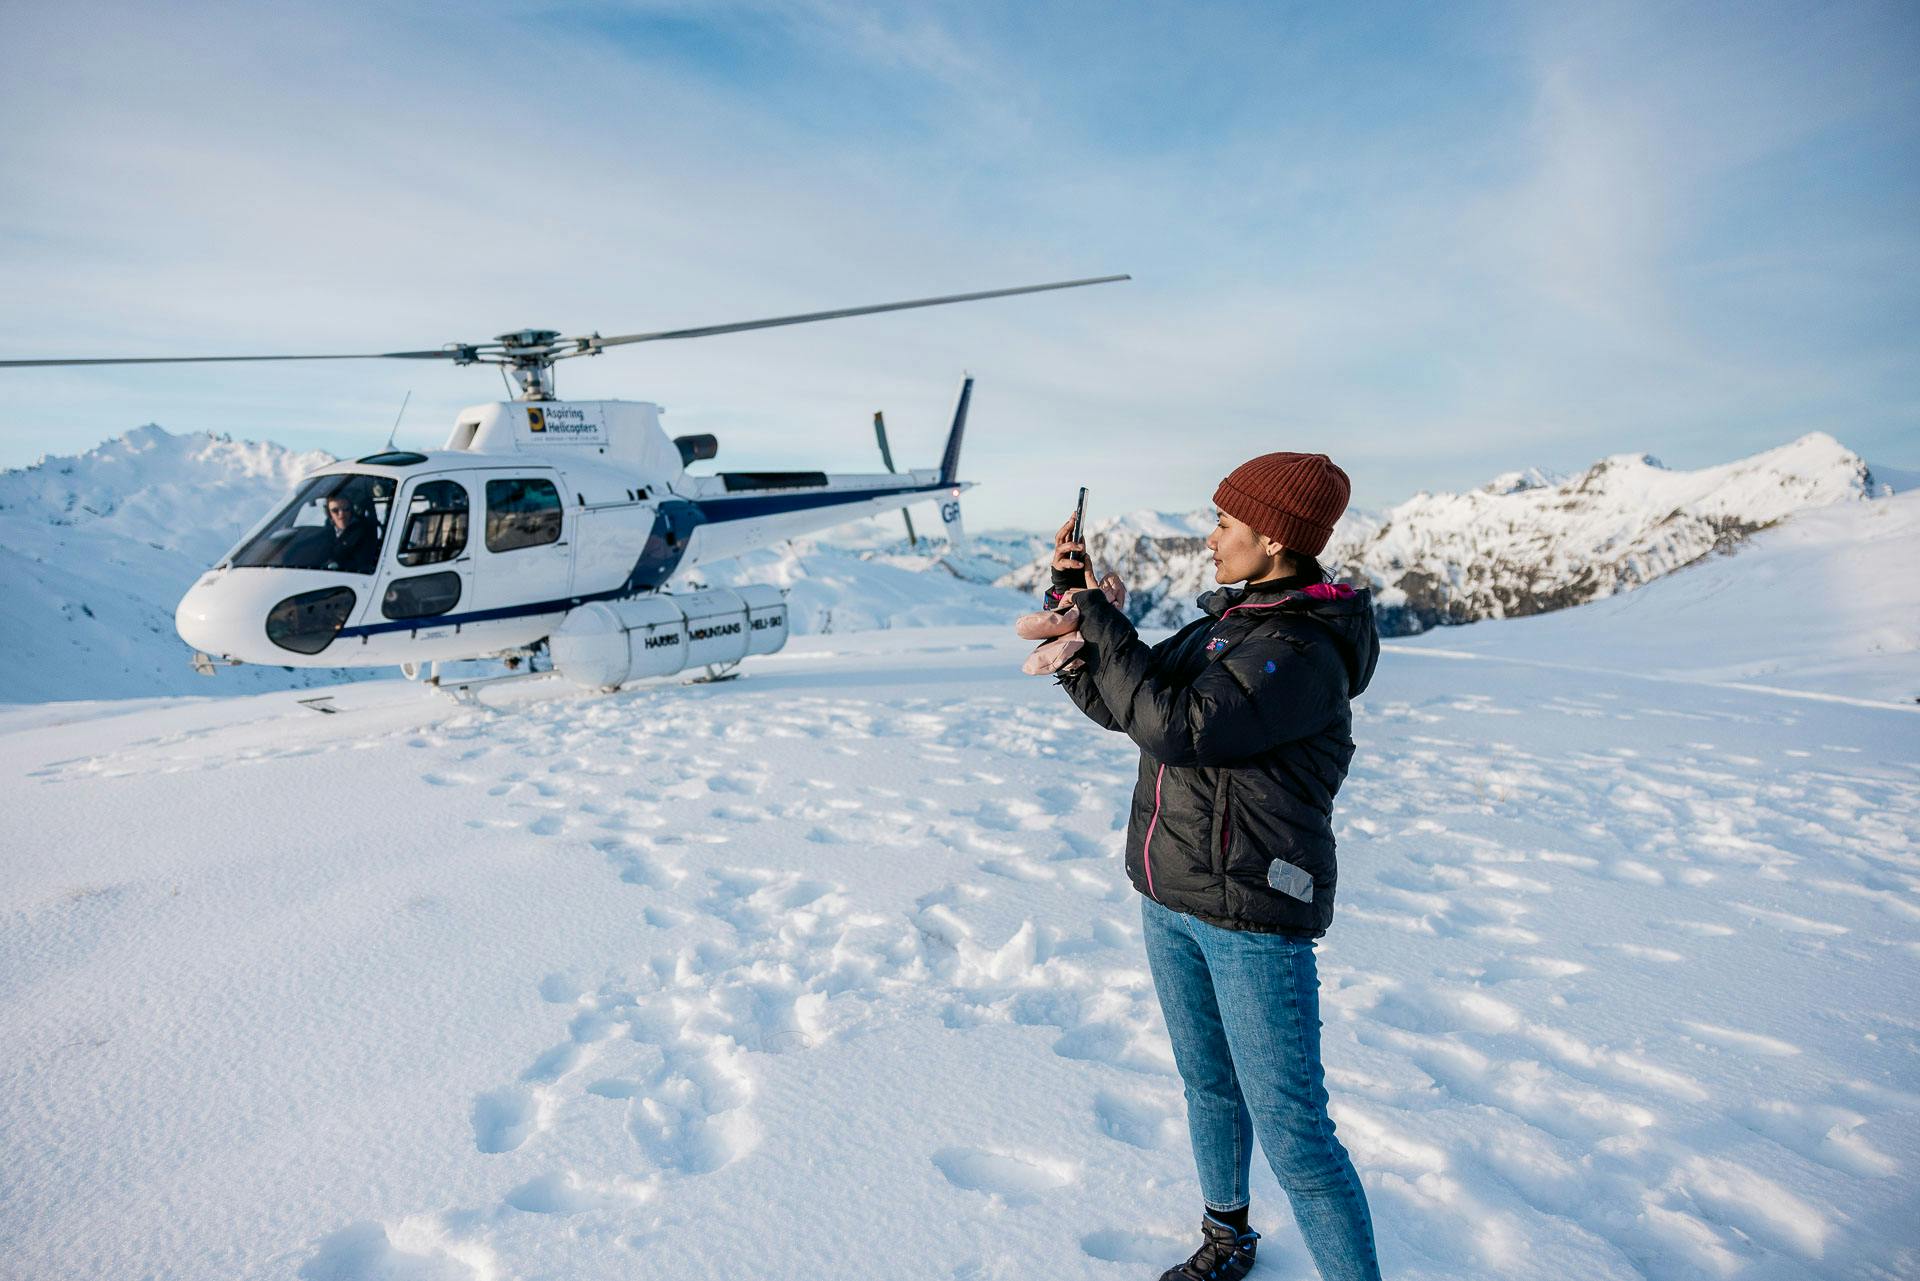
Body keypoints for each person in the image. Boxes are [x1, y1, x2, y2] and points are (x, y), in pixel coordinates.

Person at [1051, 452, 1382, 1281]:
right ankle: (1227, 1238)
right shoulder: (1226, 624)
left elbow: (1177, 727)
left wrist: (1103, 618)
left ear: (1274, 538)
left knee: (1296, 1133)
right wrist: (1075, 615)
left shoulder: (1298, 650)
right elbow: (1123, 703)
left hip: (1251, 916)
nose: (1211, 536)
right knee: (1209, 1087)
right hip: (1172, 895)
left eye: (1226, 523)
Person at [324, 494, 380, 574]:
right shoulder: (325, 532)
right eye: (335, 510)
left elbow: (363, 561)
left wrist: (337, 564)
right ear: (329, 514)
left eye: (346, 509)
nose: (341, 514)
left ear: (351, 511)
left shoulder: (363, 531)